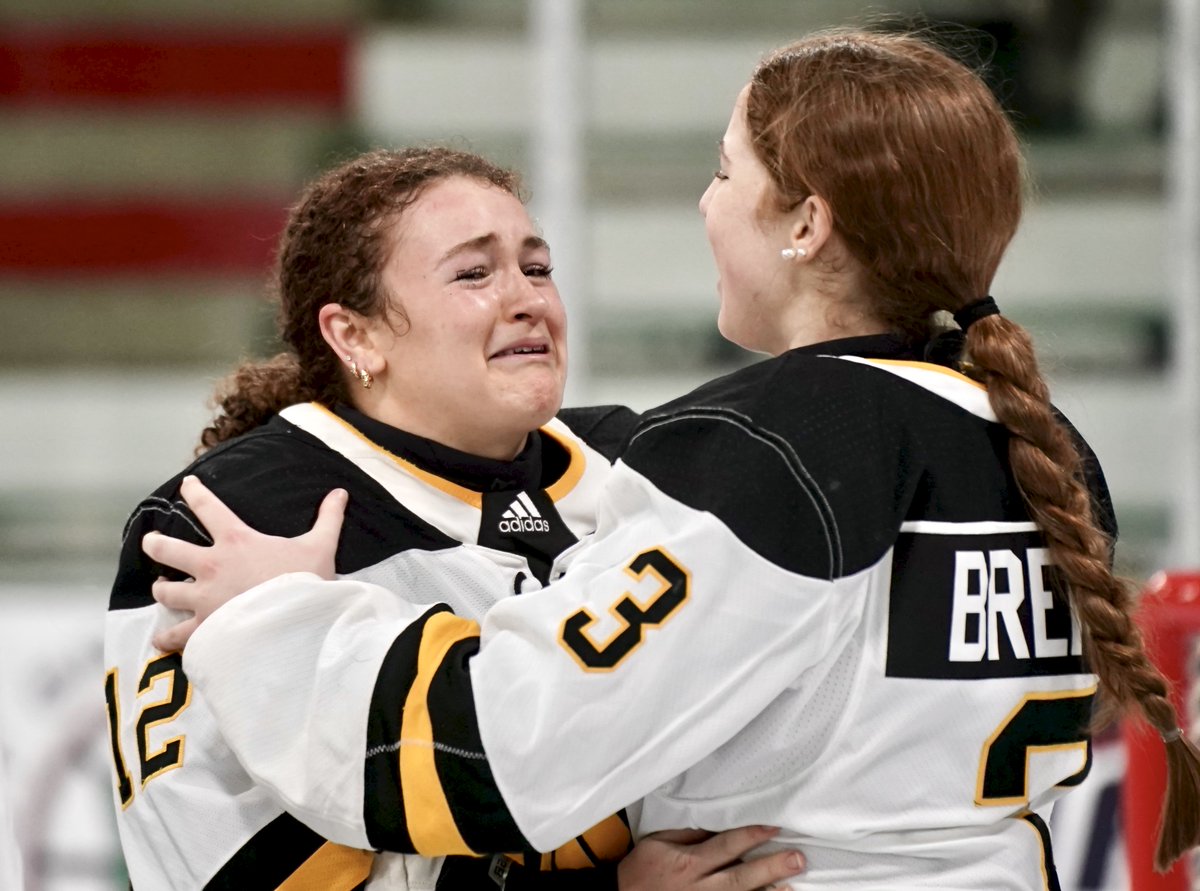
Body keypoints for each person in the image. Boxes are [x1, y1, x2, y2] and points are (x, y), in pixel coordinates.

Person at [146, 28, 1200, 888]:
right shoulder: (1038, 440)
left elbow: (496, 755)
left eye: (725, 170)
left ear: (807, 223)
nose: (705, 201)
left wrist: (274, 618)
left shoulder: (779, 442)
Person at [103, 146, 806, 890]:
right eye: (474, 274)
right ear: (355, 335)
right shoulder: (228, 522)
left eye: (536, 267)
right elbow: (225, 869)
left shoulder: (641, 465)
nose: (528, 299)